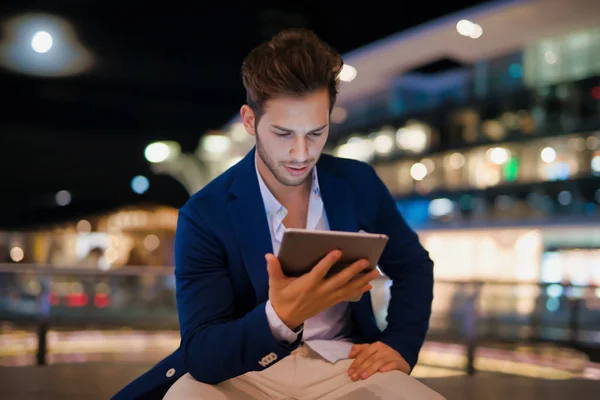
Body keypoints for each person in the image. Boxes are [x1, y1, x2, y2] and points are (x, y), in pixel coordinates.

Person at [112, 28, 443, 400]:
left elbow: (414, 266)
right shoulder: (204, 213)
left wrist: (400, 344)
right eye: (284, 134)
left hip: (346, 363)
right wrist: (279, 318)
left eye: (316, 133)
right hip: (244, 370)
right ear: (250, 122)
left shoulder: (358, 182)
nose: (302, 153)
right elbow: (202, 351)